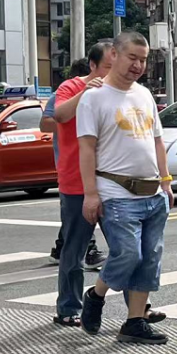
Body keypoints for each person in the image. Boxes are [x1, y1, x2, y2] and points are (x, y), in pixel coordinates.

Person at [77, 31, 173, 344]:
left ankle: (134, 322)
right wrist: (91, 193)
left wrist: (166, 180)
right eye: (132, 57)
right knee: (128, 254)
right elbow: (87, 149)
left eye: (143, 60)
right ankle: (96, 295)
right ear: (114, 55)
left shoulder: (144, 95)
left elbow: (157, 141)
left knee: (149, 259)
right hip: (116, 194)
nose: (138, 65)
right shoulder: (93, 97)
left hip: (153, 193)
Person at [50, 41, 115, 326]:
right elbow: (58, 115)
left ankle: (139, 310)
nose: (113, 74)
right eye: (108, 68)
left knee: (125, 249)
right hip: (76, 182)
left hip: (112, 182)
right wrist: (86, 93)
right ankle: (68, 309)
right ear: (93, 65)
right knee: (74, 250)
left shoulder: (120, 92)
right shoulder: (70, 88)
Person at [42, 57, 105, 269]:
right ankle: (87, 251)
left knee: (74, 221)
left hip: (101, 172)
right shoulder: (64, 93)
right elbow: (47, 122)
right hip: (71, 165)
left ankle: (61, 248)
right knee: (78, 215)